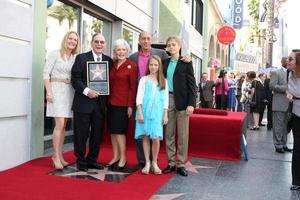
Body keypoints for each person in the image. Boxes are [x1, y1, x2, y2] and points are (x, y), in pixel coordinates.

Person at [71, 33, 113, 171]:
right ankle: (81, 160)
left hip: (100, 105)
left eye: (102, 42)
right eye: (97, 41)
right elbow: (75, 79)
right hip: (83, 102)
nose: (99, 44)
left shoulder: (109, 60)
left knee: (97, 135)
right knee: (81, 134)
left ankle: (92, 159)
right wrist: (87, 91)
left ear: (105, 44)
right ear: (91, 43)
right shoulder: (81, 58)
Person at [129, 31, 169, 169]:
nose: (146, 41)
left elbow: (174, 60)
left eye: (148, 38)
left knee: (155, 134)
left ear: (151, 40)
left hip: (157, 100)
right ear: (139, 40)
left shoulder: (162, 54)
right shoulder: (133, 57)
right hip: (141, 98)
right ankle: (143, 161)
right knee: (142, 132)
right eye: (143, 39)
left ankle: (154, 161)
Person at [43, 31, 80, 170]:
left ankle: (60, 154)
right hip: (56, 90)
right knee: (59, 124)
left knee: (64, 125)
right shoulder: (55, 53)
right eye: (70, 38)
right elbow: (46, 73)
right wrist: (49, 92)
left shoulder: (75, 58)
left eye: (75, 40)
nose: (72, 41)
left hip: (69, 92)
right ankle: (55, 156)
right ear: (65, 39)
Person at [162, 36, 197, 177]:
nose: (171, 47)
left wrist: (191, 104)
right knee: (169, 133)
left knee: (183, 134)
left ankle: (181, 163)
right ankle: (171, 162)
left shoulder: (186, 63)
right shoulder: (164, 62)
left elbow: (192, 85)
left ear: (179, 46)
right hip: (167, 99)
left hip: (183, 101)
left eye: (174, 44)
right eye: (169, 45)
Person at [106, 39, 138, 170]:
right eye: (118, 50)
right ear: (115, 51)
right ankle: (115, 156)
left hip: (123, 103)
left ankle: (123, 158)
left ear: (127, 51)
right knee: (112, 132)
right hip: (111, 102)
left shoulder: (132, 65)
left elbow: (132, 87)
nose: (121, 52)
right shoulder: (112, 65)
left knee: (120, 132)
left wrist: (130, 105)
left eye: (123, 50)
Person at [135, 55, 168, 175]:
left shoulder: (164, 81)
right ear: (148, 66)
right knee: (145, 136)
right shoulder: (144, 79)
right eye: (151, 65)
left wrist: (165, 115)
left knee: (155, 138)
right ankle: (147, 162)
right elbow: (139, 96)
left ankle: (155, 162)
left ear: (159, 67)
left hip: (158, 113)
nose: (153, 67)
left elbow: (165, 100)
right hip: (144, 111)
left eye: (156, 65)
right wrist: (139, 112)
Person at [269, 57, 292, 153]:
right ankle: (278, 145)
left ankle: (283, 143)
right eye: (287, 61)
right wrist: (285, 88)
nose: (289, 63)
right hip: (279, 103)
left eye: (290, 61)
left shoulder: (292, 73)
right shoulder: (276, 72)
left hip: (290, 104)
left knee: (285, 126)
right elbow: (272, 86)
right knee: (278, 125)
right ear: (282, 62)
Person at [286, 50, 300, 190]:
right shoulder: (290, 75)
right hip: (296, 114)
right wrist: (288, 93)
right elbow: (289, 90)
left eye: (291, 59)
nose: (287, 61)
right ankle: (296, 180)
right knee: (297, 148)